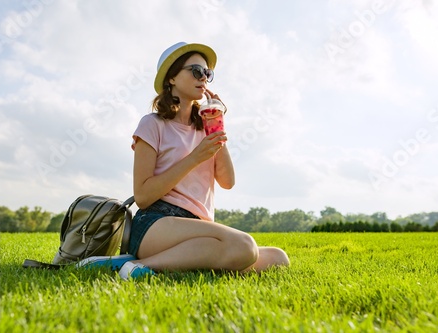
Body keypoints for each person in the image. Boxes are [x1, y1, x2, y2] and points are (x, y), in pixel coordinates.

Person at [77, 42, 289, 280]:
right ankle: (143, 266)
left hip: (200, 228)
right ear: (172, 79)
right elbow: (143, 196)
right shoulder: (152, 124)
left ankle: (135, 262)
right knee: (244, 246)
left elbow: (228, 182)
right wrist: (195, 157)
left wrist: (216, 126)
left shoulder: (205, 127)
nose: (204, 78)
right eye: (197, 71)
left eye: (208, 73)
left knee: (278, 258)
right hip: (158, 223)